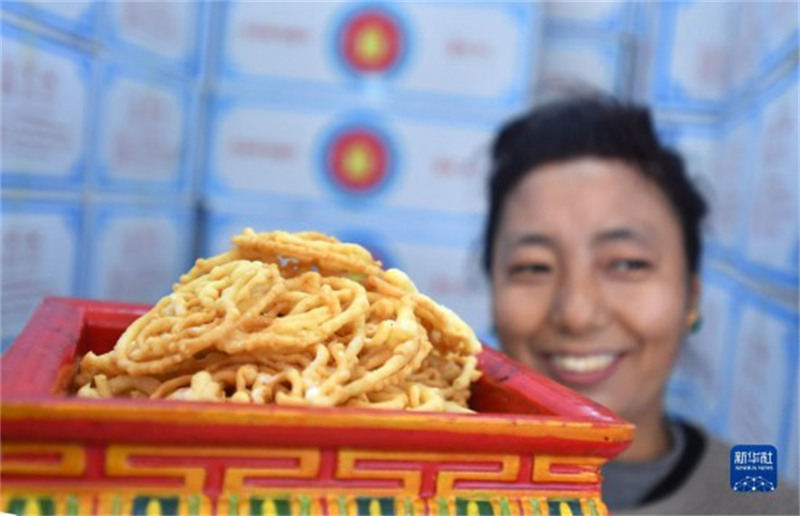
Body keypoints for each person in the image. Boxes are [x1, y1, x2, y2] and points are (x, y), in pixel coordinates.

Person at [481, 95, 799, 515]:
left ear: (691, 296)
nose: (577, 313)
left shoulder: (758, 489)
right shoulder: (411, 488)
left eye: (628, 264)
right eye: (534, 267)